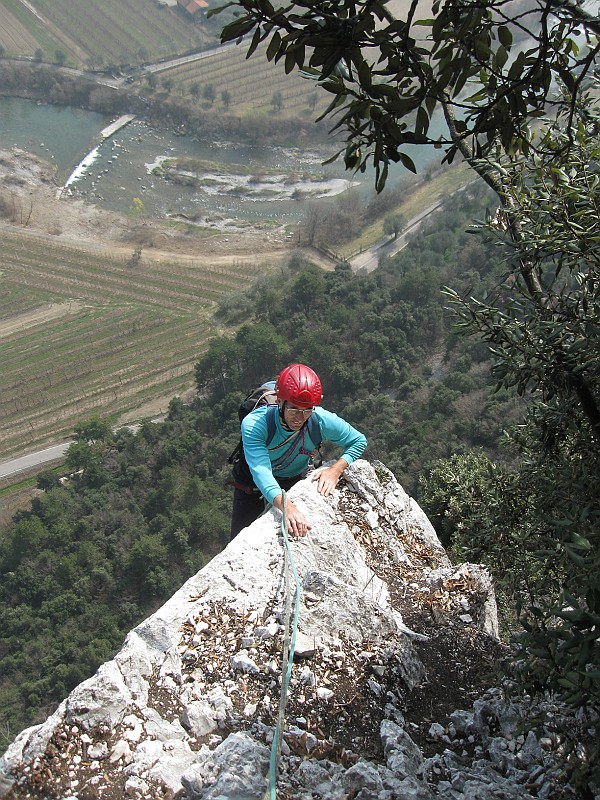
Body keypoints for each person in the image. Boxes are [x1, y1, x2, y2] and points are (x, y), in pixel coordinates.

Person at [230, 363, 367, 539]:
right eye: (294, 409)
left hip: (292, 477)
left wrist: (336, 469)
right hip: (252, 483)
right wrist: (287, 507)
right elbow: (261, 472)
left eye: (307, 410)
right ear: (280, 402)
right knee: (239, 539)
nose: (300, 418)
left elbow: (358, 440)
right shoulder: (255, 425)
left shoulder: (319, 419)